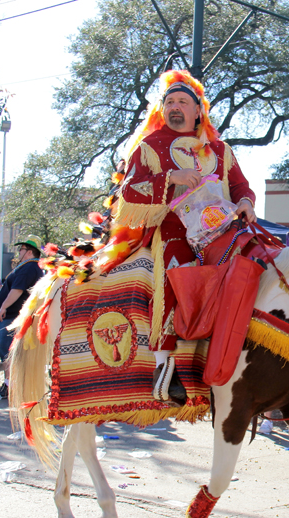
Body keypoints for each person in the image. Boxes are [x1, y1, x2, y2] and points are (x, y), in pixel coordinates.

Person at [114, 69, 256, 403]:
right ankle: (164, 369)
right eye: (170, 102)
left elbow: (240, 186)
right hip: (174, 232)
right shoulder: (149, 146)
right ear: (162, 110)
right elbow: (129, 192)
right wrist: (170, 178)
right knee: (175, 271)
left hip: (224, 232)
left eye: (183, 101)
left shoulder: (220, 150)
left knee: (256, 270)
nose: (175, 107)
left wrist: (247, 201)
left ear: (198, 110)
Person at [0, 235, 44, 399]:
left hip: (13, 316)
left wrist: (3, 306)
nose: (19, 251)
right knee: (9, 351)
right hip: (15, 316)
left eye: (21, 249)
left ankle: (10, 385)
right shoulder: (28, 266)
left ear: (29, 251)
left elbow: (17, 290)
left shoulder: (29, 267)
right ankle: (12, 385)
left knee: (8, 352)